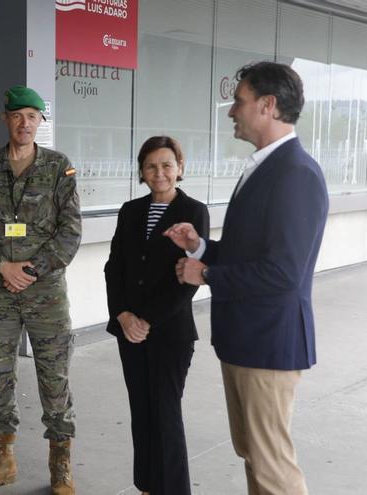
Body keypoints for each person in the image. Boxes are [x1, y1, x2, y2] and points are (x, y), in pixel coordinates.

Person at [165, 62, 329, 495]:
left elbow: (284, 273)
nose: (231, 111)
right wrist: (200, 247)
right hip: (248, 341)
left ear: (268, 106)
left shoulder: (295, 174)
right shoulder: (266, 167)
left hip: (269, 345)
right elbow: (252, 255)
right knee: (254, 456)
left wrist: (207, 274)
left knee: (272, 466)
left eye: (238, 101)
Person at [0, 85, 81, 495]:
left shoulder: (58, 167)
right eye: (17, 115)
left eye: (32, 115)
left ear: (40, 121)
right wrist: (2, 266)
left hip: (45, 292)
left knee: (54, 376)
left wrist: (30, 269)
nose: (25, 122)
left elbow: (70, 231)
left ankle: (60, 464)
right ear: (6, 119)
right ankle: (1, 460)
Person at [104, 136, 209, 495]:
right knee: (142, 412)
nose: (159, 172)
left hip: (170, 332)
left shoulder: (195, 212)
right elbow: (113, 267)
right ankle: (148, 487)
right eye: (151, 166)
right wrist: (122, 315)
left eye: (166, 165)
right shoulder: (130, 210)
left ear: (179, 168)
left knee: (165, 413)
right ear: (142, 172)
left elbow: (187, 279)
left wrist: (144, 319)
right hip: (129, 330)